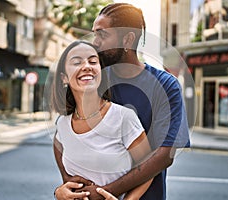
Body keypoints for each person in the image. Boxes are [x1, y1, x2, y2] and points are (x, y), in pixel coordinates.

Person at [54, 3, 190, 200]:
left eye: (102, 34)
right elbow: (63, 132)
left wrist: (107, 192)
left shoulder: (166, 86)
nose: (95, 41)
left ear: (127, 39)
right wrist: (67, 183)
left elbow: (163, 156)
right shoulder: (95, 79)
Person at [51, 40, 152, 200]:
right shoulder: (63, 123)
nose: (87, 66)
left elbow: (149, 168)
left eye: (93, 61)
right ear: (64, 78)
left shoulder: (123, 117)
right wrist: (60, 191)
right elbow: (58, 148)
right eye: (77, 62)